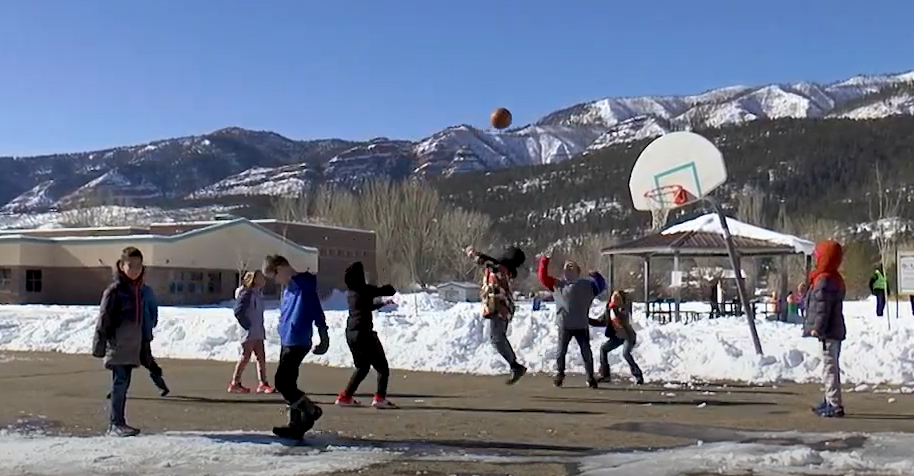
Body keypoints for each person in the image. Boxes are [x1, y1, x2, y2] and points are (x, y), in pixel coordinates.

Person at [261, 255, 329, 439]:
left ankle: (310, 410)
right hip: (288, 338)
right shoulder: (288, 289)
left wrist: (323, 334)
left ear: (281, 268)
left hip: (298, 339)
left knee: (282, 382)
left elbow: (316, 309)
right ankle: (295, 424)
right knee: (289, 382)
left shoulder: (303, 285)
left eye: (274, 276)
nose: (275, 281)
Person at [92, 246, 149, 437]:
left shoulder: (138, 290)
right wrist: (99, 345)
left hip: (131, 346)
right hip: (117, 345)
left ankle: (119, 421)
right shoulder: (115, 290)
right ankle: (115, 423)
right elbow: (104, 318)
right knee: (120, 382)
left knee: (124, 384)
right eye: (131, 265)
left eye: (139, 266)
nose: (135, 270)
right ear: (122, 265)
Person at [335, 261, 398, 408]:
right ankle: (380, 398)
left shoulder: (351, 293)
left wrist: (381, 304)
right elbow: (390, 290)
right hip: (364, 333)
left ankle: (346, 397)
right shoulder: (365, 289)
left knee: (362, 367)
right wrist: (389, 282)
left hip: (351, 333)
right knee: (382, 368)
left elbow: (365, 306)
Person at [536, 254, 605, 388]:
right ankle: (560, 374)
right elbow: (542, 278)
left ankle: (590, 377)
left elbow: (601, 286)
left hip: (581, 324)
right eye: (566, 268)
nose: (568, 270)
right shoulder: (558, 284)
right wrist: (544, 261)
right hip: (565, 324)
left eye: (571, 267)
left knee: (586, 351)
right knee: (561, 351)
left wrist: (596, 275)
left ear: (578, 271)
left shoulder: (586, 285)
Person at [466, 245, 527, 384]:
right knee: (497, 337)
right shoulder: (505, 270)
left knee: (497, 338)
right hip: (500, 307)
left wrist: (473, 253)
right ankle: (514, 365)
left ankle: (515, 366)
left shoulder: (499, 268)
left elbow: (485, 261)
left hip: (499, 307)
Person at [104, 273, 169, 400]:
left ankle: (160, 383)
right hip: (125, 333)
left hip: (142, 331)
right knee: (121, 362)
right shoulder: (122, 291)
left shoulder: (146, 291)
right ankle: (117, 390)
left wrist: (150, 325)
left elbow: (153, 310)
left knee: (146, 359)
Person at [804, 240, 847, 418]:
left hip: (828, 331)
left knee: (829, 368)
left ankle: (834, 404)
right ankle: (829, 398)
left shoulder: (824, 280)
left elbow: (823, 307)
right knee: (829, 367)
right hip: (834, 331)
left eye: (818, 256)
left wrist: (817, 328)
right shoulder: (832, 278)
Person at [229, 270, 276, 394]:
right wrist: (247, 325)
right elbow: (238, 311)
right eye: (261, 277)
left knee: (261, 357)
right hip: (249, 332)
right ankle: (235, 383)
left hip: (257, 330)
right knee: (245, 356)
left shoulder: (257, 294)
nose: (264, 279)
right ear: (254, 280)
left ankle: (263, 383)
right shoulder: (246, 293)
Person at [591, 290, 645, 385]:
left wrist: (616, 309)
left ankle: (638, 375)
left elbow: (623, 318)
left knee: (626, 354)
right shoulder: (609, 309)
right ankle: (605, 375)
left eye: (618, 297)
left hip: (628, 336)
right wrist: (587, 320)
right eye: (614, 296)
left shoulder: (623, 308)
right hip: (617, 337)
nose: (615, 298)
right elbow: (602, 321)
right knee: (603, 349)